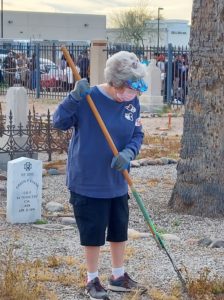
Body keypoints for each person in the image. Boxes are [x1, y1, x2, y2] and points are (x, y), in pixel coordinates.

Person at [53, 51, 148, 300]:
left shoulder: (132, 101)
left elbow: (138, 134)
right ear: (116, 83)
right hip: (88, 180)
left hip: (117, 180)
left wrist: (129, 152)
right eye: (129, 88)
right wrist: (73, 97)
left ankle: (118, 276)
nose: (133, 94)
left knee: (119, 230)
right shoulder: (89, 98)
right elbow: (59, 122)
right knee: (93, 232)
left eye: (136, 90)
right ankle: (92, 280)